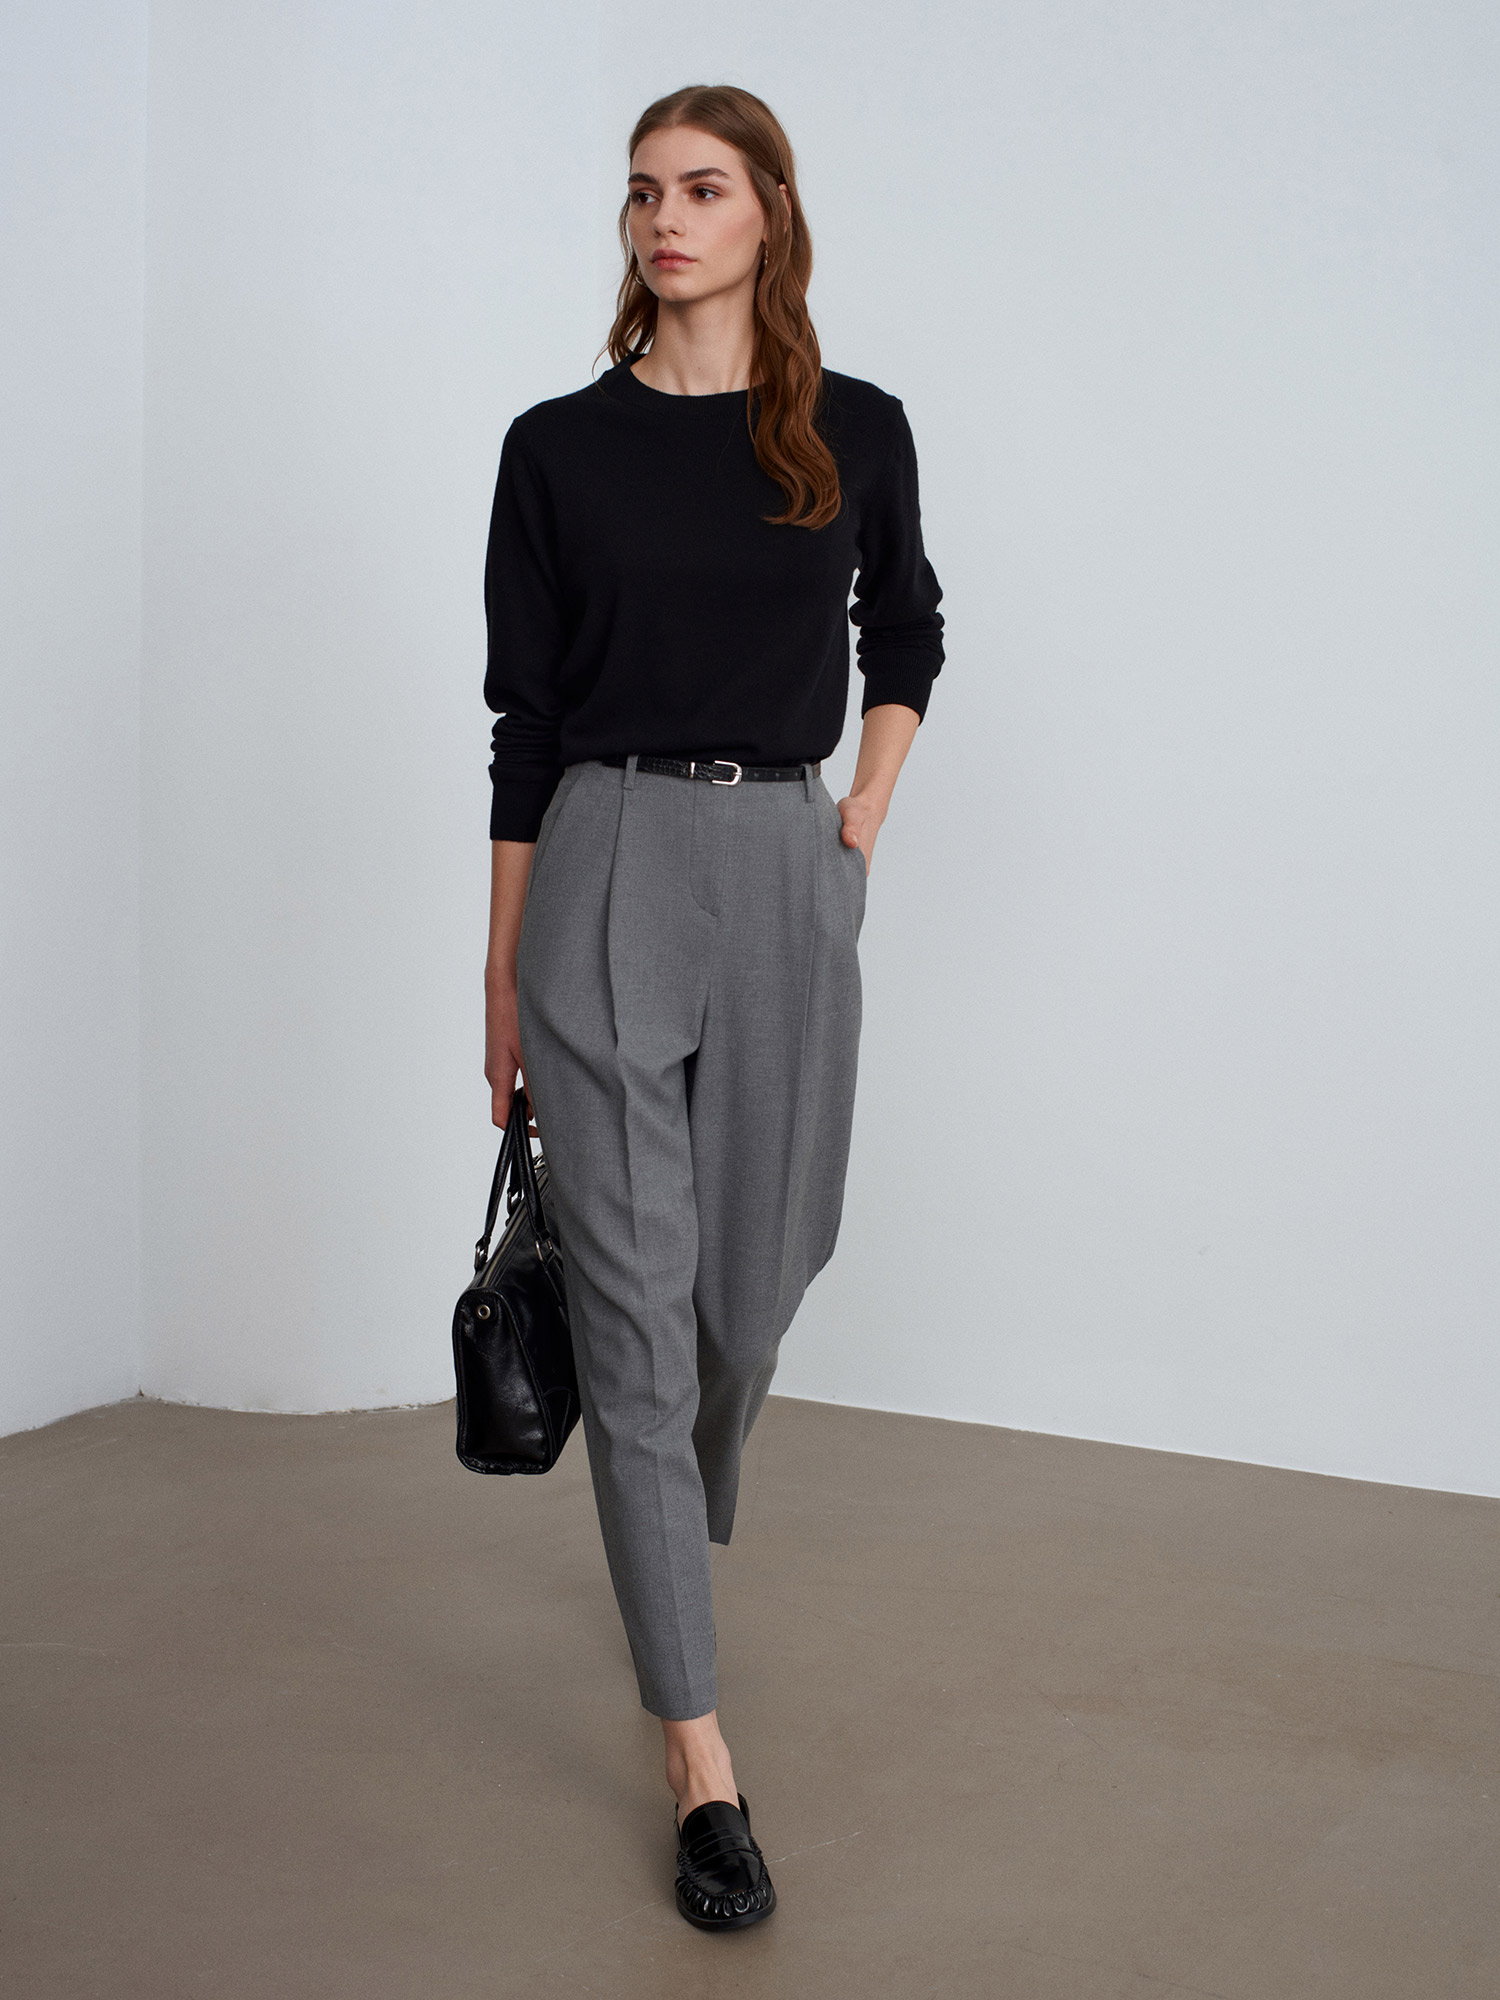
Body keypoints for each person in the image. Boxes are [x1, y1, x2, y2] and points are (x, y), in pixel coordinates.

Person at [481, 83, 943, 1931]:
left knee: (749, 1288)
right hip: (602, 861)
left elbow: (906, 630)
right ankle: (701, 1759)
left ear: (768, 217)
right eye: (641, 193)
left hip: (781, 870)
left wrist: (861, 818)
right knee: (640, 1335)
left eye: (701, 190)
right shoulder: (555, 448)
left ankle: (658, 1448)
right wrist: (502, 967)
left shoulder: (855, 429)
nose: (664, 220)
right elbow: (523, 722)